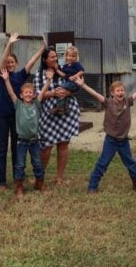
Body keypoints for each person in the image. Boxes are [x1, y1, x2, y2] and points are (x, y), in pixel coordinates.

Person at [74, 73, 136, 193]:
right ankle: (92, 186)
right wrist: (83, 85)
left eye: (122, 91)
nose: (121, 93)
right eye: (118, 91)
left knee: (130, 163)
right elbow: (95, 93)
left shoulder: (127, 102)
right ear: (112, 93)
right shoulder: (108, 103)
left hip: (123, 141)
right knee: (102, 163)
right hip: (111, 140)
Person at [0, 33, 46, 190]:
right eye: (7, 62)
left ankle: (19, 179)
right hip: (3, 116)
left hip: (18, 118)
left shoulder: (21, 75)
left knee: (17, 148)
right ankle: (1, 181)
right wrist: (9, 44)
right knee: (2, 148)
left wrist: (43, 48)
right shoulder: (3, 76)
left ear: (16, 64)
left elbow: (32, 61)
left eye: (12, 62)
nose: (9, 64)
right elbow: (2, 61)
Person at [0, 65, 52, 198]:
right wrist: (6, 80)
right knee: (20, 164)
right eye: (25, 93)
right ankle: (19, 186)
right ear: (21, 95)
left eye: (30, 93)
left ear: (33, 95)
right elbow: (11, 93)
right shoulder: (18, 105)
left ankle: (39, 183)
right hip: (21, 141)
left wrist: (49, 80)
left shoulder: (36, 104)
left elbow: (43, 92)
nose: (28, 94)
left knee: (37, 164)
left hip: (34, 141)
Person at [34, 47, 81, 186]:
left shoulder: (65, 69)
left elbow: (76, 86)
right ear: (44, 59)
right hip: (48, 113)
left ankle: (59, 178)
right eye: (52, 57)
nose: (55, 59)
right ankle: (40, 176)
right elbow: (37, 96)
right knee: (46, 146)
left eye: (56, 56)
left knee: (63, 144)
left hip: (66, 111)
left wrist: (68, 93)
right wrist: (53, 93)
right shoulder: (39, 74)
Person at [49, 45, 85, 116]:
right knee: (63, 92)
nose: (71, 58)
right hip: (68, 83)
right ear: (66, 56)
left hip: (74, 83)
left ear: (76, 57)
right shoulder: (65, 66)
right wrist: (56, 70)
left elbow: (82, 71)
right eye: (69, 56)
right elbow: (63, 75)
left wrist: (75, 76)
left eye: (73, 56)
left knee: (60, 88)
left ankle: (59, 107)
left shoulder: (76, 64)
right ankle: (65, 108)